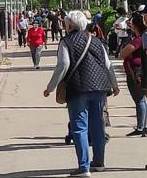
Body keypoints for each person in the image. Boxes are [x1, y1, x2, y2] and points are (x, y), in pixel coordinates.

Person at [44, 11, 119, 177]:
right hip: (99, 88)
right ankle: (99, 162)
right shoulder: (97, 41)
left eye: (65, 24)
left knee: (79, 127)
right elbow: (108, 64)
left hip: (77, 89)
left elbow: (63, 65)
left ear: (70, 25)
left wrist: (50, 87)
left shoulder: (66, 41)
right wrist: (114, 85)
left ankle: (84, 167)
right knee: (98, 125)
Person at [118, 13, 146, 137]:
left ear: (135, 25)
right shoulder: (140, 38)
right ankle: (142, 125)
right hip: (137, 71)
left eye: (130, 23)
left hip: (136, 73)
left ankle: (141, 127)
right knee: (142, 100)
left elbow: (122, 54)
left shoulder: (138, 39)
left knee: (139, 100)